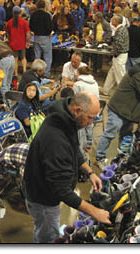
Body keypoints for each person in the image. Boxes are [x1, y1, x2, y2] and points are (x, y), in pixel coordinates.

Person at [23, 92, 111, 243]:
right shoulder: (56, 139)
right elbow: (61, 190)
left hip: (42, 189)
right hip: (43, 198)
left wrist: (90, 172)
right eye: (90, 117)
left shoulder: (65, 118)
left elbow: (74, 148)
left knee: (47, 229)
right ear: (77, 110)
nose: (91, 123)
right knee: (48, 237)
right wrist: (94, 212)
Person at [73, 66, 100, 154]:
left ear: (79, 73)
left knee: (82, 128)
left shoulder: (78, 84)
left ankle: (82, 147)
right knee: (90, 125)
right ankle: (89, 145)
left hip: (84, 110)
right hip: (96, 110)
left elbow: (75, 99)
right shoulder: (95, 83)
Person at [101, 15, 129, 96]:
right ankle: (105, 91)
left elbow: (119, 45)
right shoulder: (121, 29)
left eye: (113, 20)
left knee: (120, 76)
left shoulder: (120, 30)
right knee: (112, 74)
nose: (111, 21)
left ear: (117, 21)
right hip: (120, 55)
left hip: (120, 56)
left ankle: (124, 94)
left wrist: (114, 53)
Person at [5, 5, 31, 76]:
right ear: (20, 12)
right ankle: (24, 71)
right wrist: (28, 42)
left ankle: (15, 73)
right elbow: (28, 33)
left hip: (13, 44)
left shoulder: (9, 22)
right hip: (22, 43)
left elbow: (7, 33)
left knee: (15, 59)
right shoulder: (24, 22)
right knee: (23, 58)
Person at [29, 0, 53, 77]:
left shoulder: (33, 15)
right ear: (44, 6)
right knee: (47, 56)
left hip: (36, 37)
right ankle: (46, 73)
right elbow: (50, 27)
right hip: (45, 37)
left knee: (37, 56)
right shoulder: (47, 15)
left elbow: (31, 26)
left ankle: (36, 72)